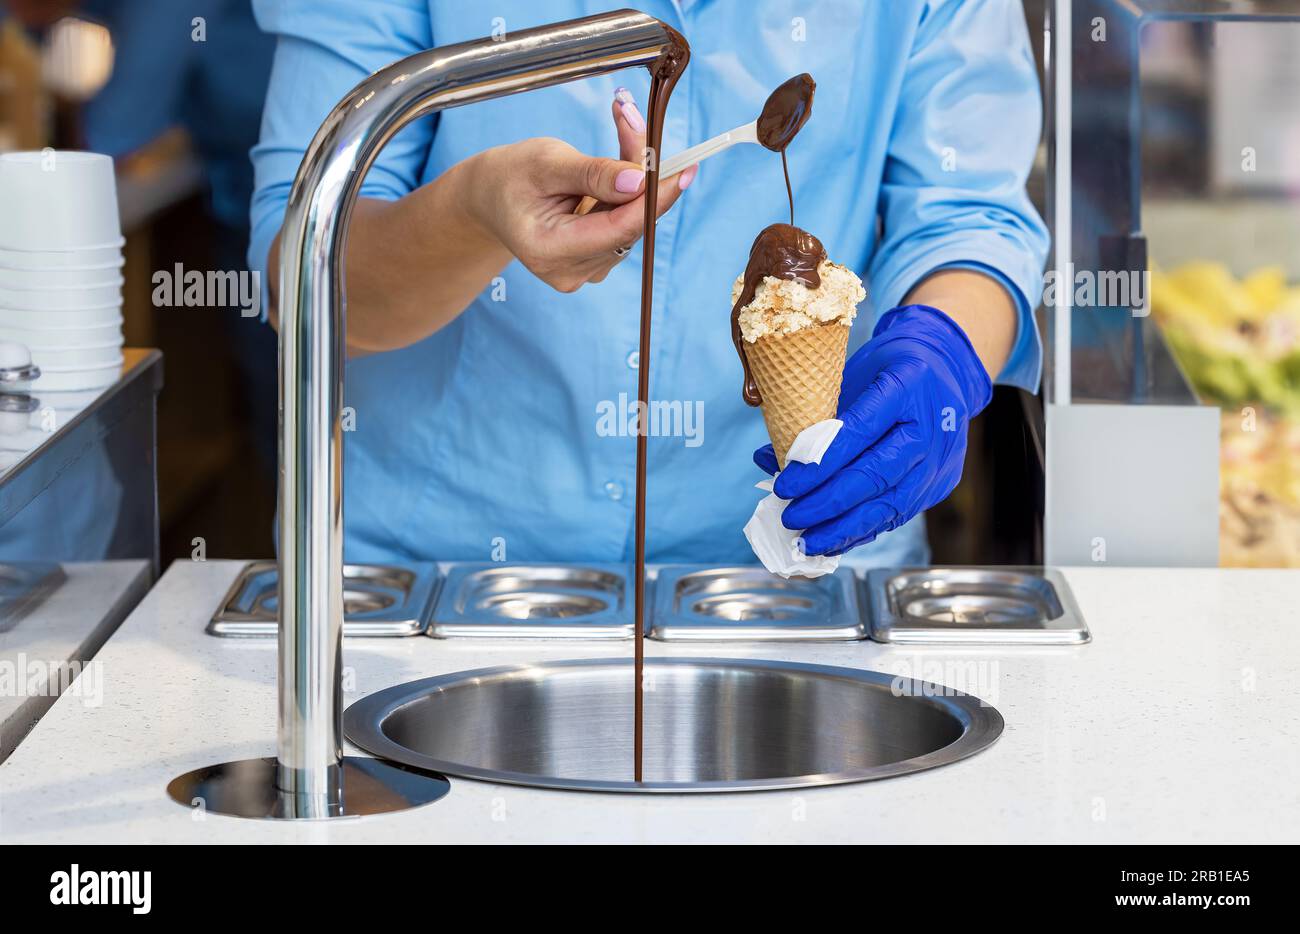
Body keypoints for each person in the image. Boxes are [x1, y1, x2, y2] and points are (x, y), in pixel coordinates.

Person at [250, 0, 1048, 567]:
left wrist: (940, 351)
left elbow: (969, 217)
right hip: (437, 588)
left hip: (798, 582)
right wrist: (472, 213)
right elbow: (305, 275)